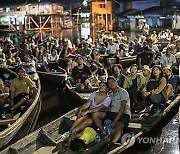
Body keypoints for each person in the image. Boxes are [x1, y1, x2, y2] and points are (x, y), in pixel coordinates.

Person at [92, 76, 130, 146]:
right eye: (109, 83)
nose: (111, 83)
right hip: (111, 113)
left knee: (119, 126)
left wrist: (115, 121)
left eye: (112, 81)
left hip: (122, 114)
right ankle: (103, 131)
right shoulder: (109, 93)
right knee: (95, 114)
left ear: (116, 82)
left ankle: (112, 143)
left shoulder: (123, 92)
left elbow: (122, 108)